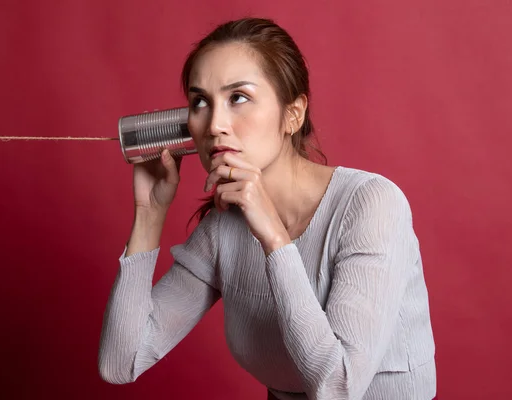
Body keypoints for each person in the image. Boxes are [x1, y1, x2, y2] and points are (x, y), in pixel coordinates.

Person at [98, 17, 436, 400]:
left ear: (293, 114)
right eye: (200, 102)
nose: (214, 125)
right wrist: (149, 213)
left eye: (238, 97)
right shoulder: (223, 229)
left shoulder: (371, 205)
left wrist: (275, 238)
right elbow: (120, 362)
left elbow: (339, 388)